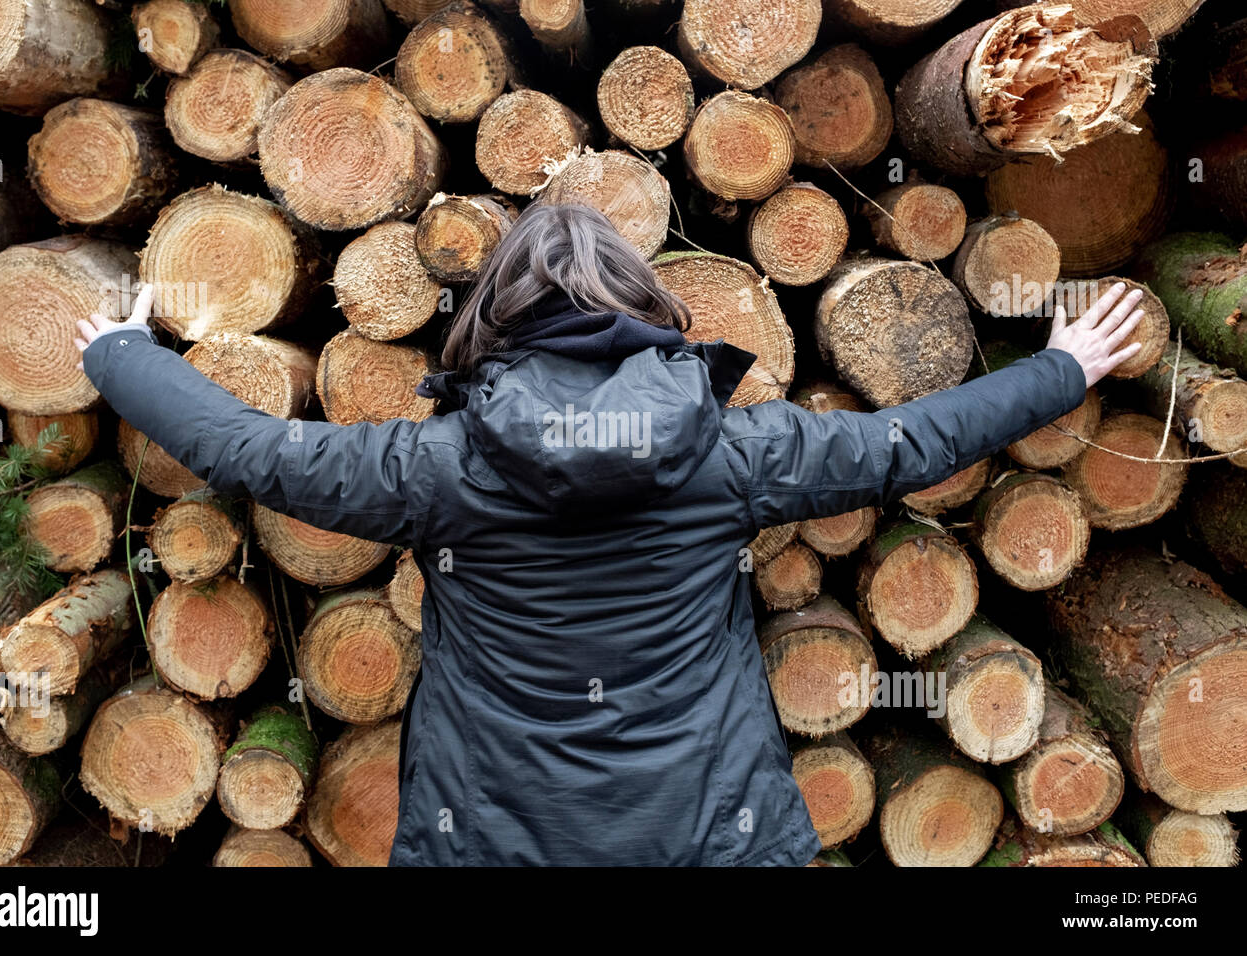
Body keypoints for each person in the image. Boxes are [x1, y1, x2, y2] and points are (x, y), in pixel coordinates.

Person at [77, 202, 1144, 866]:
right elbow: (905, 443)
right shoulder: (724, 452)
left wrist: (121, 354)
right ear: (637, 303)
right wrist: (1060, 368)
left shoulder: (440, 467)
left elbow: (254, 451)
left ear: (494, 312)